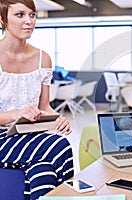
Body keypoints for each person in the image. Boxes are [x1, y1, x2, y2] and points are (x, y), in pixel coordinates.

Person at [0, 0, 74, 199]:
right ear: (2, 19)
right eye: (20, 15)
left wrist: (57, 119)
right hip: (1, 136)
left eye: (32, 15)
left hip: (28, 134)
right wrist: (17, 113)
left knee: (44, 171)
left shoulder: (43, 58)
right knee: (59, 146)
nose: (28, 21)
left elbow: (44, 106)